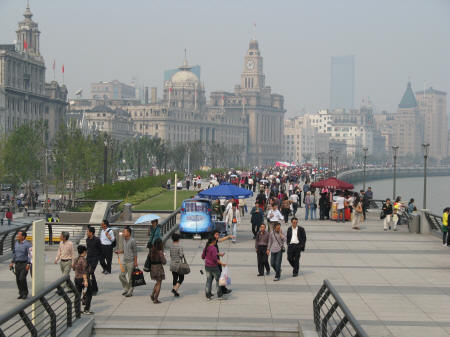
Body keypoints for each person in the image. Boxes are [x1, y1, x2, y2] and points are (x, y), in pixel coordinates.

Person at [116, 226, 138, 297]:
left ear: (129, 233)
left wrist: (135, 262)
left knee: (130, 278)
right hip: (124, 261)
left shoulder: (132, 241)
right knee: (121, 275)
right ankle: (127, 288)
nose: (123, 233)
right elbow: (125, 250)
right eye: (123, 231)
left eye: (124, 232)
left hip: (131, 262)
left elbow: (135, 252)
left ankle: (130, 292)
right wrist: (119, 252)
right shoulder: (124, 240)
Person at [9, 230, 31, 299]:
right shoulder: (16, 243)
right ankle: (21, 293)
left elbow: (30, 255)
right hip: (17, 264)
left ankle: (25, 293)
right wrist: (12, 262)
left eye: (19, 235)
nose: (17, 236)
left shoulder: (28, 244)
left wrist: (28, 264)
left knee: (22, 278)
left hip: (24, 264)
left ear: (23, 236)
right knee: (18, 279)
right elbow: (14, 253)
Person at [73, 245, 93, 315]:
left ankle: (77, 310)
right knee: (89, 293)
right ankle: (86, 309)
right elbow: (84, 271)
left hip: (77, 278)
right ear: (84, 251)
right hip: (83, 278)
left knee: (78, 294)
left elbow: (73, 268)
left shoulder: (76, 259)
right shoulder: (83, 260)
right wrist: (86, 281)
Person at [212, 230, 233, 295]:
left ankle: (209, 292)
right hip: (215, 262)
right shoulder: (212, 243)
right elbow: (212, 253)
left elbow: (221, 240)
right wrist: (221, 262)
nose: (217, 236)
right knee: (219, 277)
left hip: (214, 262)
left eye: (218, 235)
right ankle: (221, 291)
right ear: (213, 235)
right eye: (216, 235)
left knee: (212, 278)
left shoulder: (214, 241)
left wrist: (228, 236)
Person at [86, 226, 102, 295]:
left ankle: (94, 289)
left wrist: (99, 258)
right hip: (88, 258)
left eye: (87, 232)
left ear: (91, 233)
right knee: (88, 273)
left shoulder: (97, 240)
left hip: (94, 259)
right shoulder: (87, 239)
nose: (87, 233)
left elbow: (100, 249)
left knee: (91, 272)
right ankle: (92, 288)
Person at [149, 238, 166, 303]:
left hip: (152, 268)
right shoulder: (160, 251)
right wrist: (164, 256)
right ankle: (156, 299)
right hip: (158, 268)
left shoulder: (151, 250)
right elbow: (164, 262)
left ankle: (152, 294)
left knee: (157, 282)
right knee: (159, 283)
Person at [170, 233, 184, 297]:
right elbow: (181, 255)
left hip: (172, 264)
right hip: (178, 265)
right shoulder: (180, 247)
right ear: (178, 239)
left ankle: (175, 291)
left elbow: (171, 255)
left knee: (174, 278)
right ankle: (174, 289)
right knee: (181, 278)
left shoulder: (171, 246)